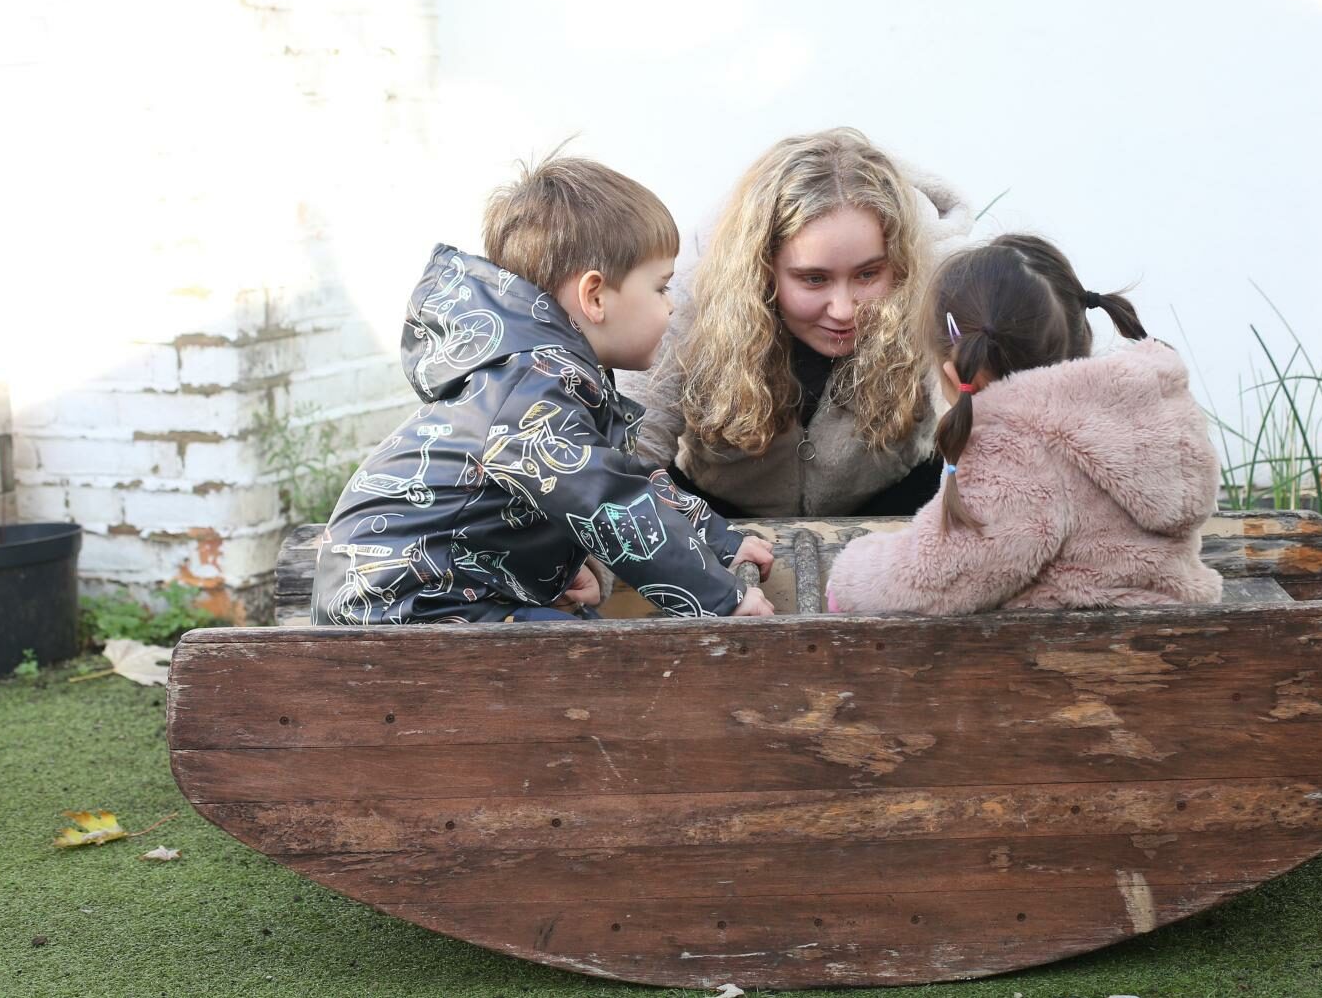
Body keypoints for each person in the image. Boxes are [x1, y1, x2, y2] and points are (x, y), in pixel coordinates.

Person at [311, 153, 775, 626]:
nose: (672, 307)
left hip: (443, 599)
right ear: (595, 297)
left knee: (592, 650)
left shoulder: (543, 378)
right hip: (396, 611)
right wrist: (722, 600)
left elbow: (620, 477)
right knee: (602, 672)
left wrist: (720, 542)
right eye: (661, 288)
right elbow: (606, 501)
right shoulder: (528, 388)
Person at [824, 234, 1223, 614]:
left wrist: (849, 578)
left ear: (959, 372)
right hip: (1164, 640)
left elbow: (938, 578)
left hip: (1072, 661)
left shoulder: (1013, 450)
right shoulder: (1139, 410)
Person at [619, 128, 974, 518]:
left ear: (901, 262)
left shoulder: (941, 278)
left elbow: (982, 418)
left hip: (893, 499)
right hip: (718, 511)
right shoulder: (687, 292)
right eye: (814, 279)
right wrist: (594, 568)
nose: (843, 309)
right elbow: (630, 452)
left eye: (868, 274)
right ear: (763, 268)